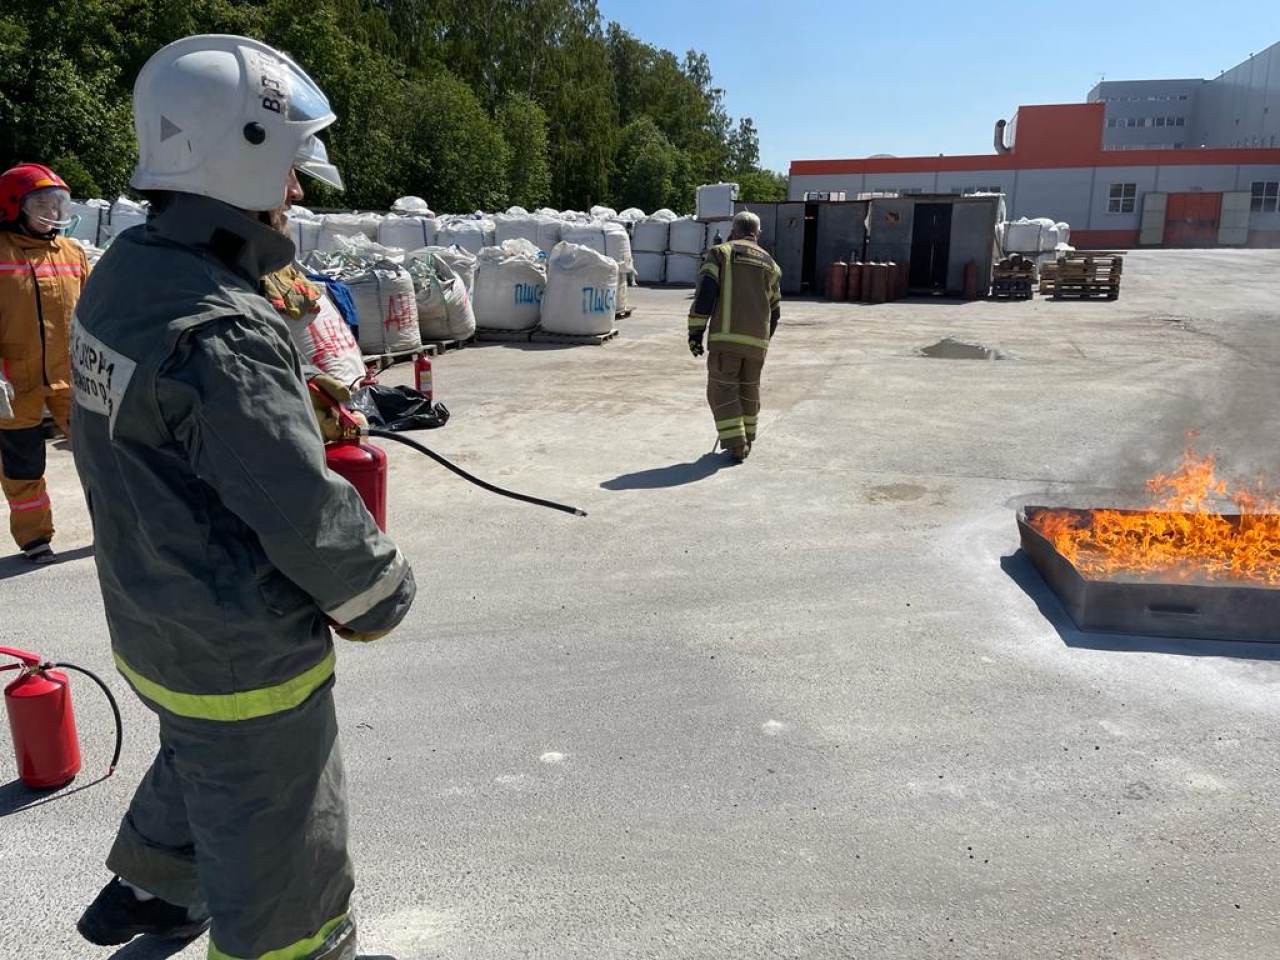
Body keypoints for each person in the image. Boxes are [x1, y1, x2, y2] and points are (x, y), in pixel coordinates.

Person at [70, 35, 415, 960]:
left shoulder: (126, 273)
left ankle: (155, 882)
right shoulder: (220, 330)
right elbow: (297, 506)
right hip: (241, 646)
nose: (297, 191)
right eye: (291, 167)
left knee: (201, 745)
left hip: (153, 612)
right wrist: (379, 592)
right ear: (246, 153)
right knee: (279, 844)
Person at [0, 162, 90, 562]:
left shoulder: (72, 252)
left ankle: (116, 528)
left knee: (99, 454)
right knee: (23, 465)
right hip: (15, 381)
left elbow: (92, 315)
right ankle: (35, 539)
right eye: (43, 203)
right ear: (13, 205)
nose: (54, 212)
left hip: (72, 375)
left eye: (59, 203)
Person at [686, 210, 782, 462]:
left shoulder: (721, 253)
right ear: (758, 234)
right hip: (757, 343)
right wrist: (764, 341)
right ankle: (748, 437)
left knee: (723, 390)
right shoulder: (770, 263)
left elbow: (706, 294)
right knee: (749, 390)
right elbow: (775, 309)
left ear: (733, 230)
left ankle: (737, 443)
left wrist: (695, 332)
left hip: (726, 339)